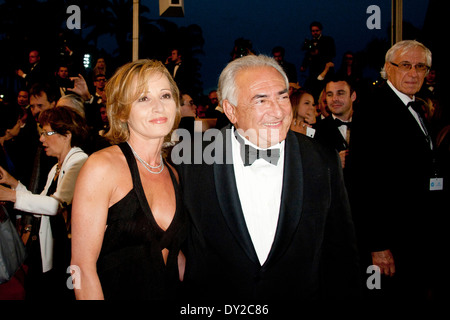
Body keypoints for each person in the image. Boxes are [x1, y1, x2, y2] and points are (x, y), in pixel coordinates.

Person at [176, 54, 360, 300]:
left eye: (282, 96)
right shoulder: (192, 158)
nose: (278, 111)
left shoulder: (321, 157)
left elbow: (340, 249)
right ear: (230, 110)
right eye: (261, 100)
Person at [70, 59, 186, 300]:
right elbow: (81, 267)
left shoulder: (173, 173)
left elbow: (173, 256)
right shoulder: (102, 167)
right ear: (122, 111)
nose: (158, 107)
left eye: (165, 95)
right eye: (143, 98)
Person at [350, 40, 445, 300]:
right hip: (391, 242)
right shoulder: (374, 108)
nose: (413, 73)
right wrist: (378, 245)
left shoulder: (415, 106)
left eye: (420, 67)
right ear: (387, 68)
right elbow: (362, 181)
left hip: (417, 237)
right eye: (405, 65)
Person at [0, 106, 89, 300]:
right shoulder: (58, 166)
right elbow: (40, 203)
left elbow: (55, 205)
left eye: (47, 133)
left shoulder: (79, 161)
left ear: (67, 134)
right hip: (55, 249)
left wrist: (11, 195)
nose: (41, 139)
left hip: (67, 252)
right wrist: (13, 184)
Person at [314, 77, 356, 170]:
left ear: (353, 96)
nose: (334, 99)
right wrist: (334, 162)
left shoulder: (371, 123)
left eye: (340, 93)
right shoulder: (317, 130)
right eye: (329, 94)